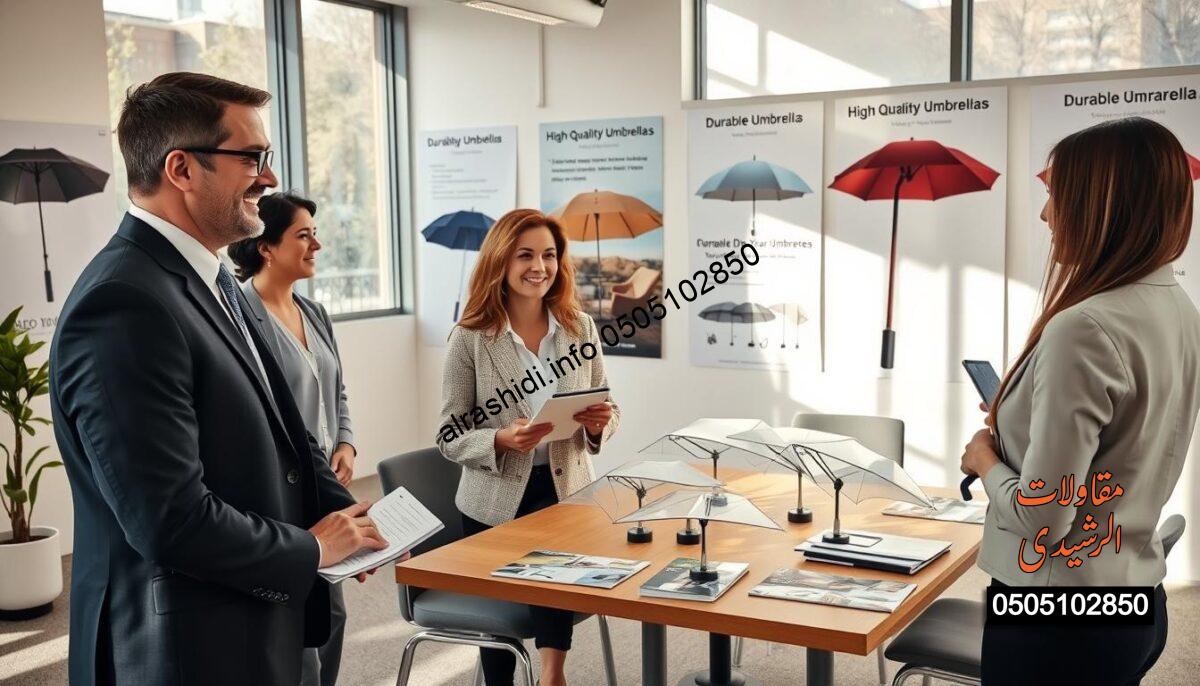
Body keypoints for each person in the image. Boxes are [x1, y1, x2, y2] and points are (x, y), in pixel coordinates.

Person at [49, 72, 388, 686]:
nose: (270, 178)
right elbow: (168, 519)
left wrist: (349, 517)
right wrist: (313, 549)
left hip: (253, 621)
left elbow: (286, 430)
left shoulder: (216, 279)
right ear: (181, 169)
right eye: (251, 158)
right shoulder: (124, 303)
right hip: (185, 648)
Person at [959, 117, 1199, 684]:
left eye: (1055, 197)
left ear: (1104, 205)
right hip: (1133, 601)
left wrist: (983, 459)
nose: (1046, 216)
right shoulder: (1179, 309)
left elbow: (1044, 513)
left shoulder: (1083, 326)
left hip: (1056, 617)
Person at [436, 208, 620, 686]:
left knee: (555, 567)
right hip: (494, 498)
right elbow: (449, 435)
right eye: (525, 255)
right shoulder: (469, 338)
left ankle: (552, 674)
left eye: (548, 255)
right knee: (501, 628)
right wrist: (500, 438)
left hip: (566, 489)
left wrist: (600, 424)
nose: (539, 266)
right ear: (501, 260)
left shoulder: (580, 328)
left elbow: (607, 403)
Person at [228, 192, 356, 686]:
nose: (316, 244)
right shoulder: (239, 315)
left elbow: (338, 390)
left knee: (336, 615)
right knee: (297, 625)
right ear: (266, 247)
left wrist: (346, 444)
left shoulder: (315, 312)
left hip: (325, 490)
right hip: (280, 493)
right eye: (303, 235)